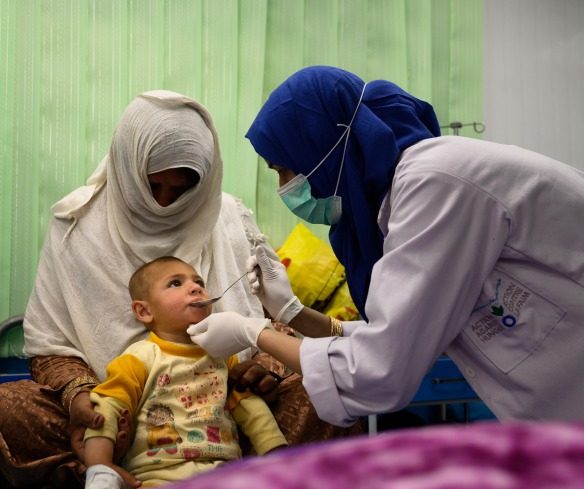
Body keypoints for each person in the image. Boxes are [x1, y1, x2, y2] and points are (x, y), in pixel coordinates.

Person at [0, 89, 361, 489]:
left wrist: (265, 370)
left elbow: (277, 326)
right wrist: (83, 402)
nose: (163, 204)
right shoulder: (77, 227)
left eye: (182, 189)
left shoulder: (227, 218)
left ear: (203, 182)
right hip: (115, 419)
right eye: (151, 186)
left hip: (225, 412)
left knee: (328, 392)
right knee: (9, 409)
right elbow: (52, 347)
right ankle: (108, 470)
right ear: (126, 166)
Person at [188, 65, 584, 427]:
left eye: (284, 170)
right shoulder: (400, 200)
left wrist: (252, 330)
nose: (285, 189)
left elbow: (379, 369)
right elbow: (395, 331)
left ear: (322, 147)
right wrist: (293, 313)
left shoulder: (435, 184)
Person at [84, 256, 286, 489]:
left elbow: (253, 412)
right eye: (175, 283)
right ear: (144, 311)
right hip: (157, 479)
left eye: (199, 281)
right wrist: (100, 466)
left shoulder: (223, 356)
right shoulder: (138, 359)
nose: (196, 287)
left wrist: (280, 460)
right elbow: (107, 409)